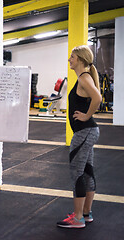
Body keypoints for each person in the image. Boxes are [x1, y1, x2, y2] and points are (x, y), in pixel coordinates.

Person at [57, 45, 102, 228]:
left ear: (81, 60)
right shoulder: (84, 77)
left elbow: (97, 98)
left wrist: (86, 115)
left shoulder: (84, 78)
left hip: (84, 132)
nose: (70, 59)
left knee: (77, 174)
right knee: (87, 172)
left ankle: (77, 219)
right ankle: (85, 213)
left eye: (72, 57)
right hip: (88, 132)